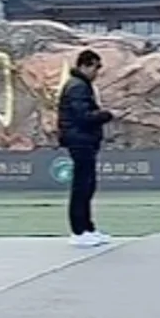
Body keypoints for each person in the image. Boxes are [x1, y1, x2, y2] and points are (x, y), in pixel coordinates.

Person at [57, 49, 114, 247]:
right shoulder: (77, 87)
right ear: (84, 65)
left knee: (88, 185)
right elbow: (83, 116)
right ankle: (79, 231)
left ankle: (88, 228)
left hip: (84, 140)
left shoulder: (82, 85)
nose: (97, 72)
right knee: (81, 186)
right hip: (79, 140)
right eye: (95, 67)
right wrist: (106, 115)